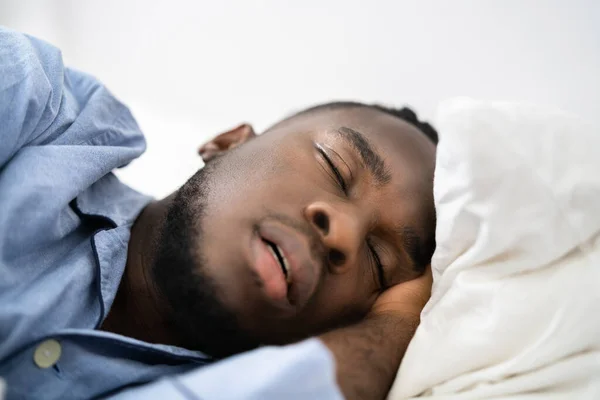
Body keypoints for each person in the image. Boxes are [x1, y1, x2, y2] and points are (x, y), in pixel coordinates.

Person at [0, 27, 436, 400]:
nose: (343, 233)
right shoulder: (47, 114)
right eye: (335, 166)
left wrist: (396, 324)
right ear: (229, 142)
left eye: (378, 262)